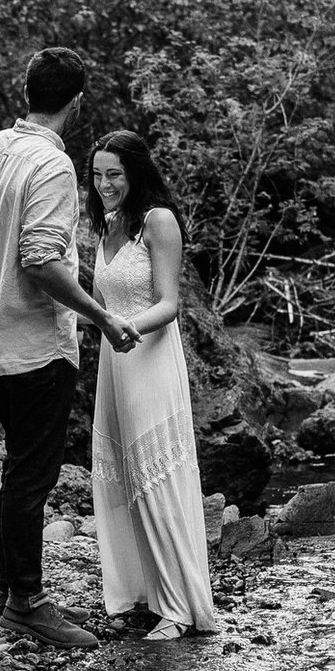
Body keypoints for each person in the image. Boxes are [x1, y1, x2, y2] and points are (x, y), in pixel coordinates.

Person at [0, 48, 139, 649]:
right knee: (33, 471)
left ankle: (12, 591)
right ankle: (27, 602)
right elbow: (40, 261)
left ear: (24, 89)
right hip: (34, 340)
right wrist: (102, 315)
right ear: (77, 102)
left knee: (19, 467)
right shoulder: (53, 167)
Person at [85, 131, 221, 640]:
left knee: (155, 476)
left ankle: (180, 609)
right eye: (97, 174)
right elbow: (103, 297)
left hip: (148, 356)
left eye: (114, 174)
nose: (104, 184)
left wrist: (126, 328)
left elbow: (169, 304)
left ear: (136, 173)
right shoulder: (110, 223)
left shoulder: (157, 221)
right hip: (113, 361)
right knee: (122, 475)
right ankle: (141, 592)